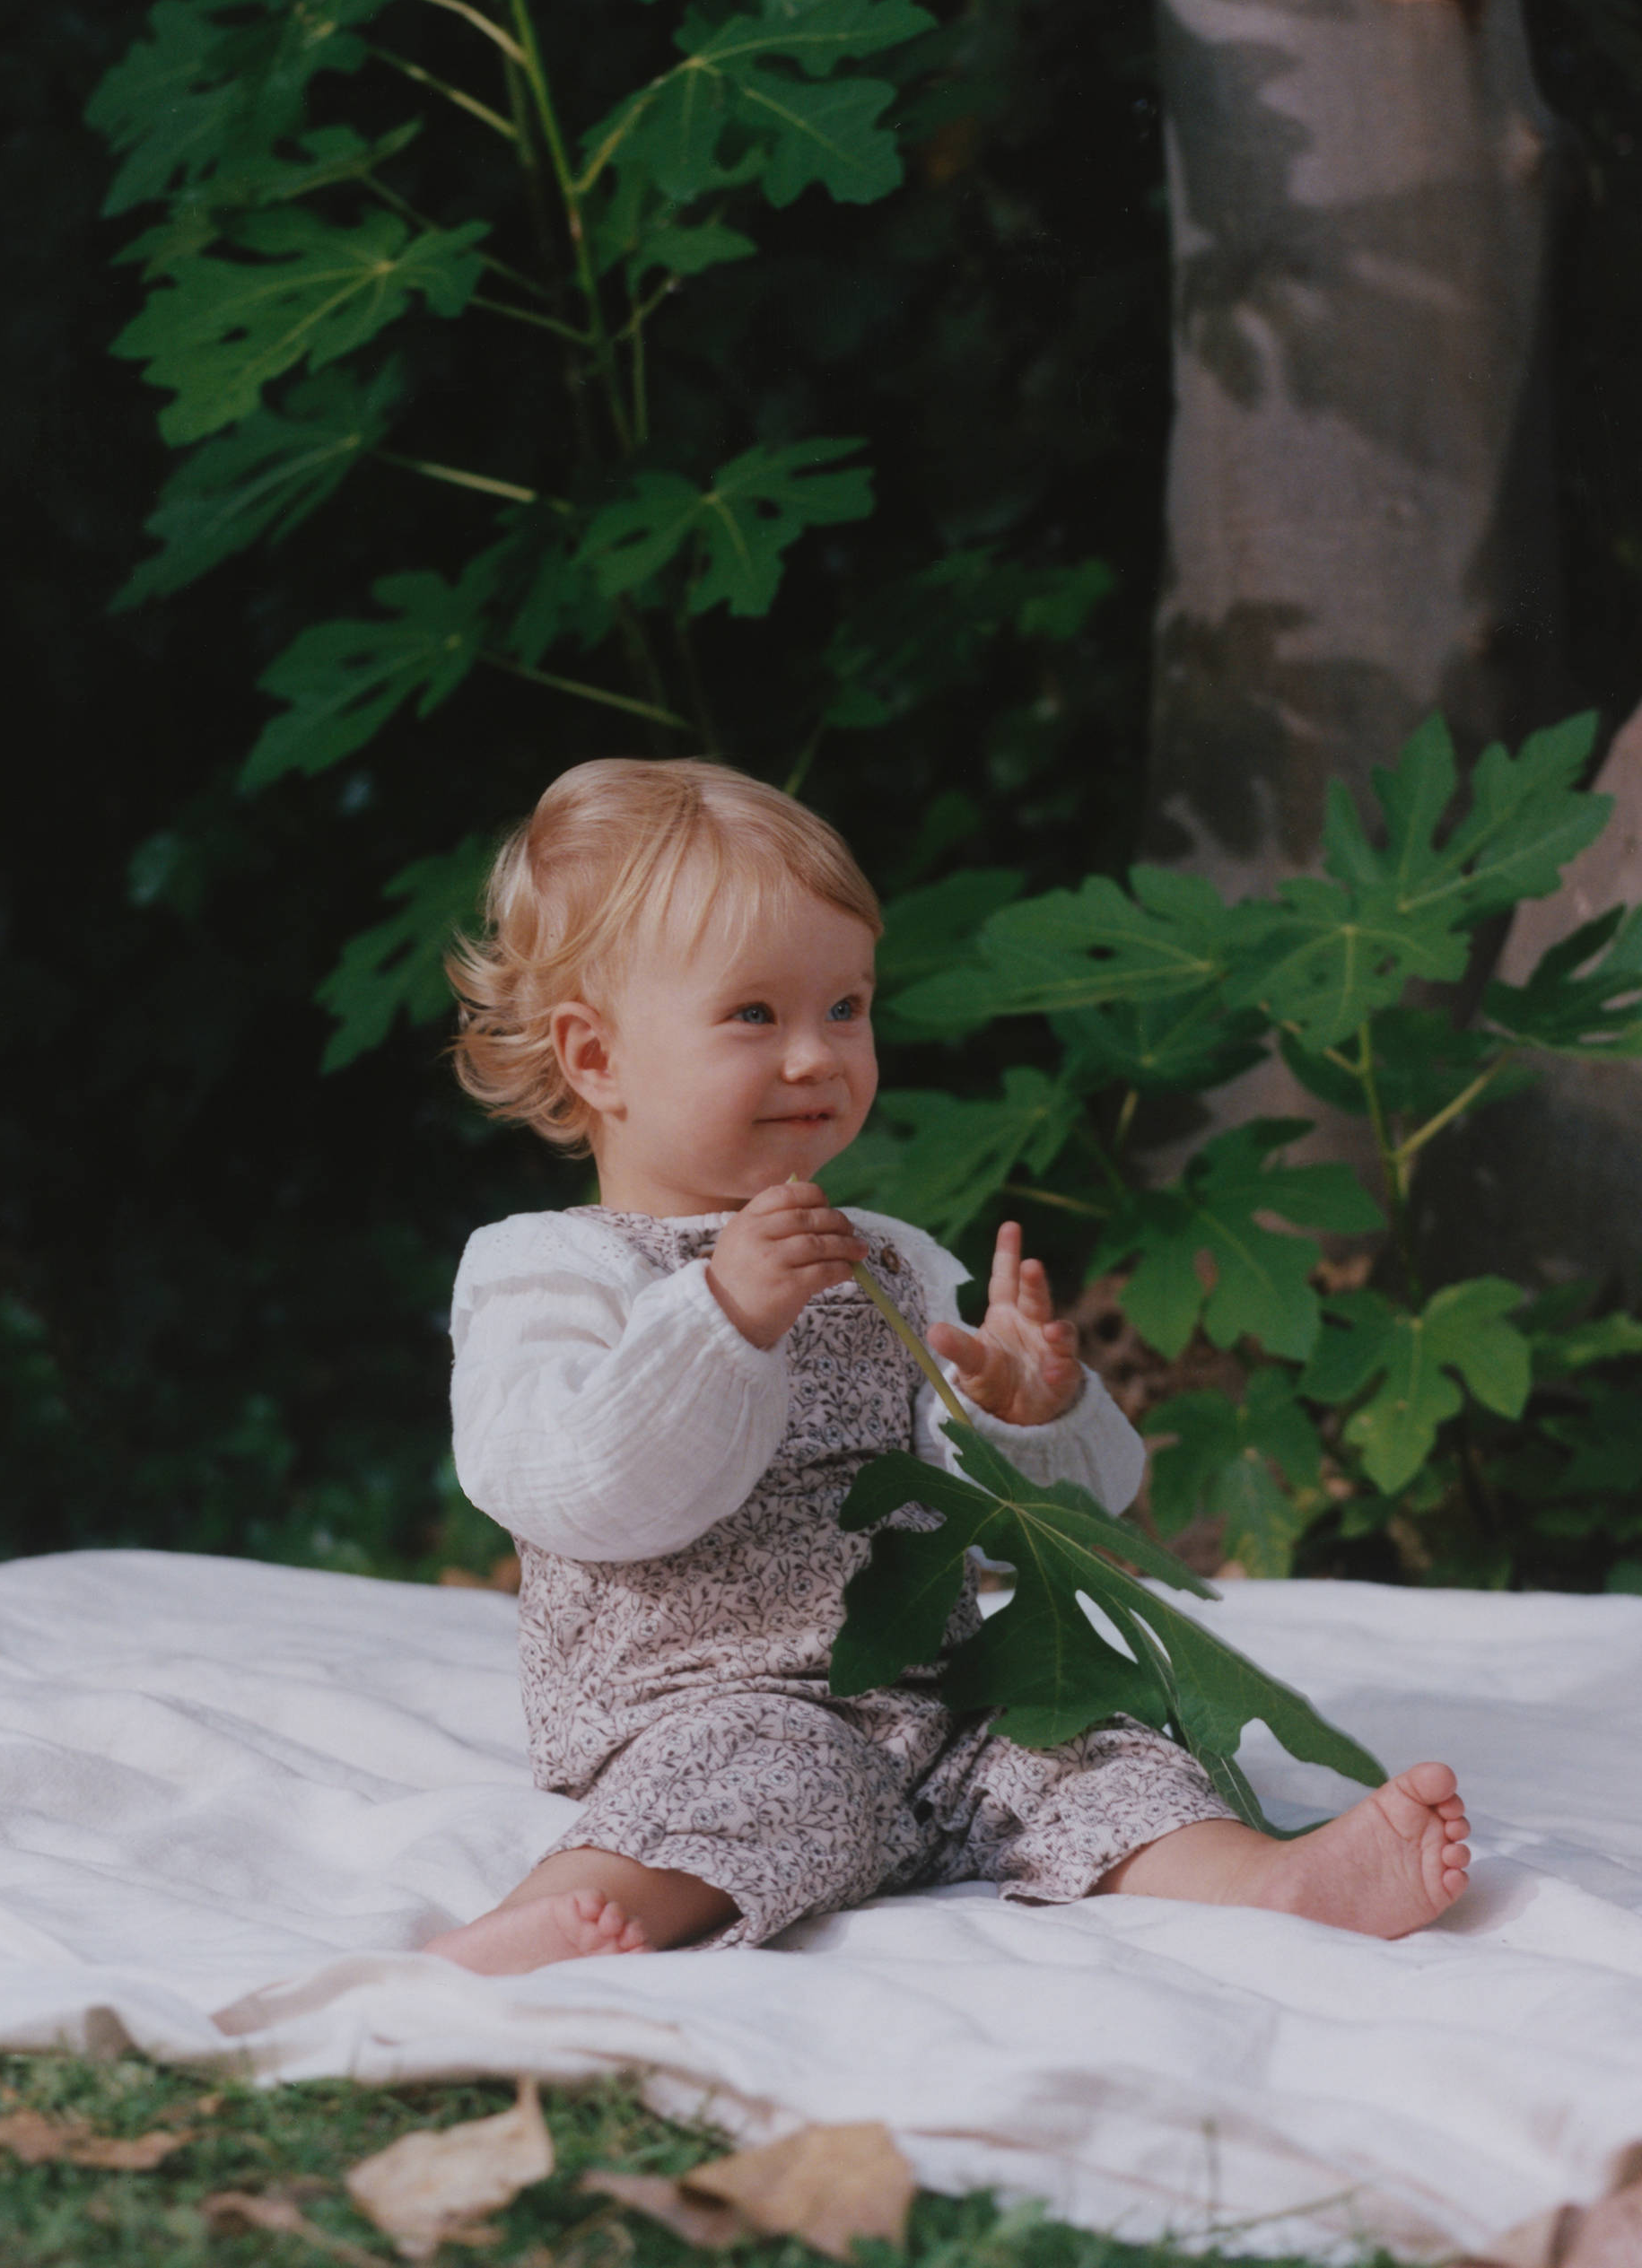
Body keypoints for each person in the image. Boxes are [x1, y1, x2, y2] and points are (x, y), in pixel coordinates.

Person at [426, 758, 1471, 1976]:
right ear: (596, 1058)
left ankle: (1268, 1879)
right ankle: (575, 1904)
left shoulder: (892, 1262)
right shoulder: (546, 1267)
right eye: (755, 1014)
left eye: (848, 1008)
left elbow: (1032, 1525)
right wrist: (722, 1317)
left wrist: (1029, 1413)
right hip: (699, 1702)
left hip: (939, 1694)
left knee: (1090, 1738)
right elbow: (573, 1485)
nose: (817, 1055)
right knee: (763, 1776)